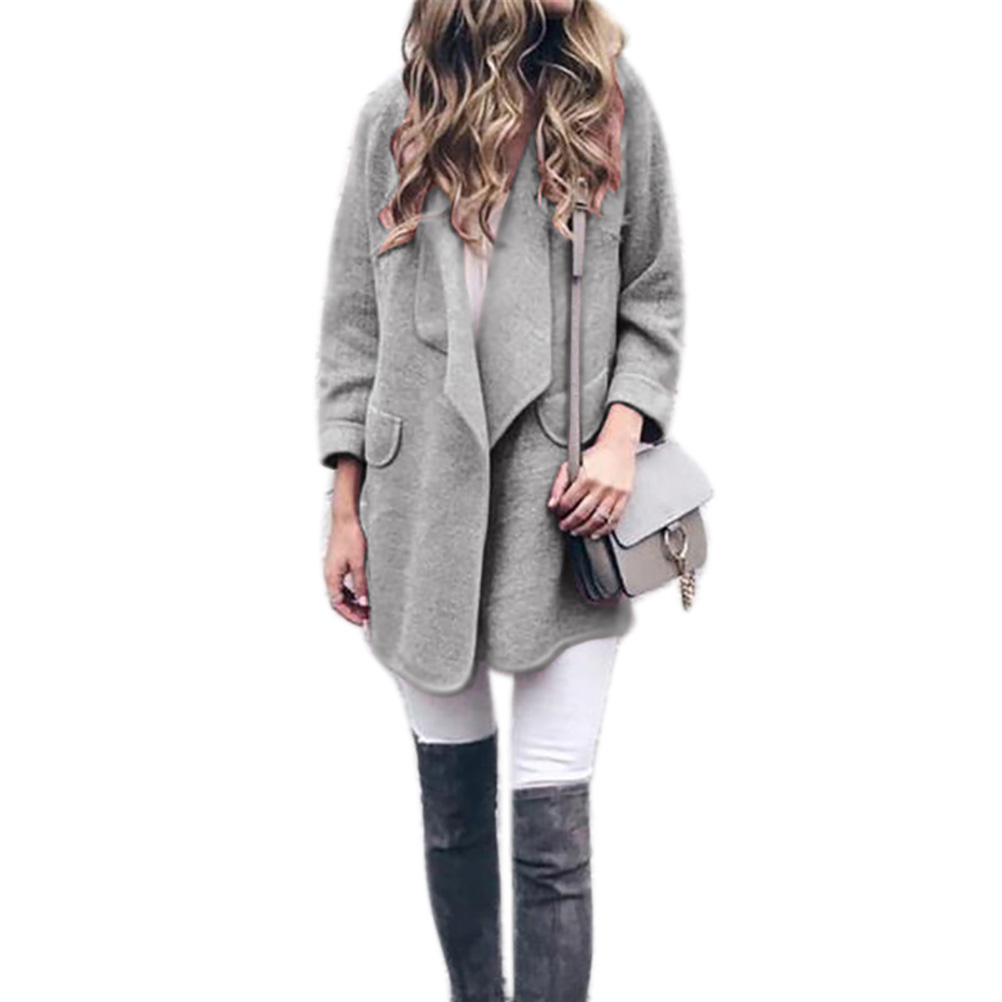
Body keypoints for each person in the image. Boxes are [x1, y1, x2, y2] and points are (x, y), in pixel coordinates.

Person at [317, 1, 685, 998]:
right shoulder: (392, 119)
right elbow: (354, 329)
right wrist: (344, 508)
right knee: (453, 816)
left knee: (553, 831)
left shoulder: (608, 105)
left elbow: (653, 296)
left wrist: (621, 439)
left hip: (563, 507)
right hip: (417, 505)